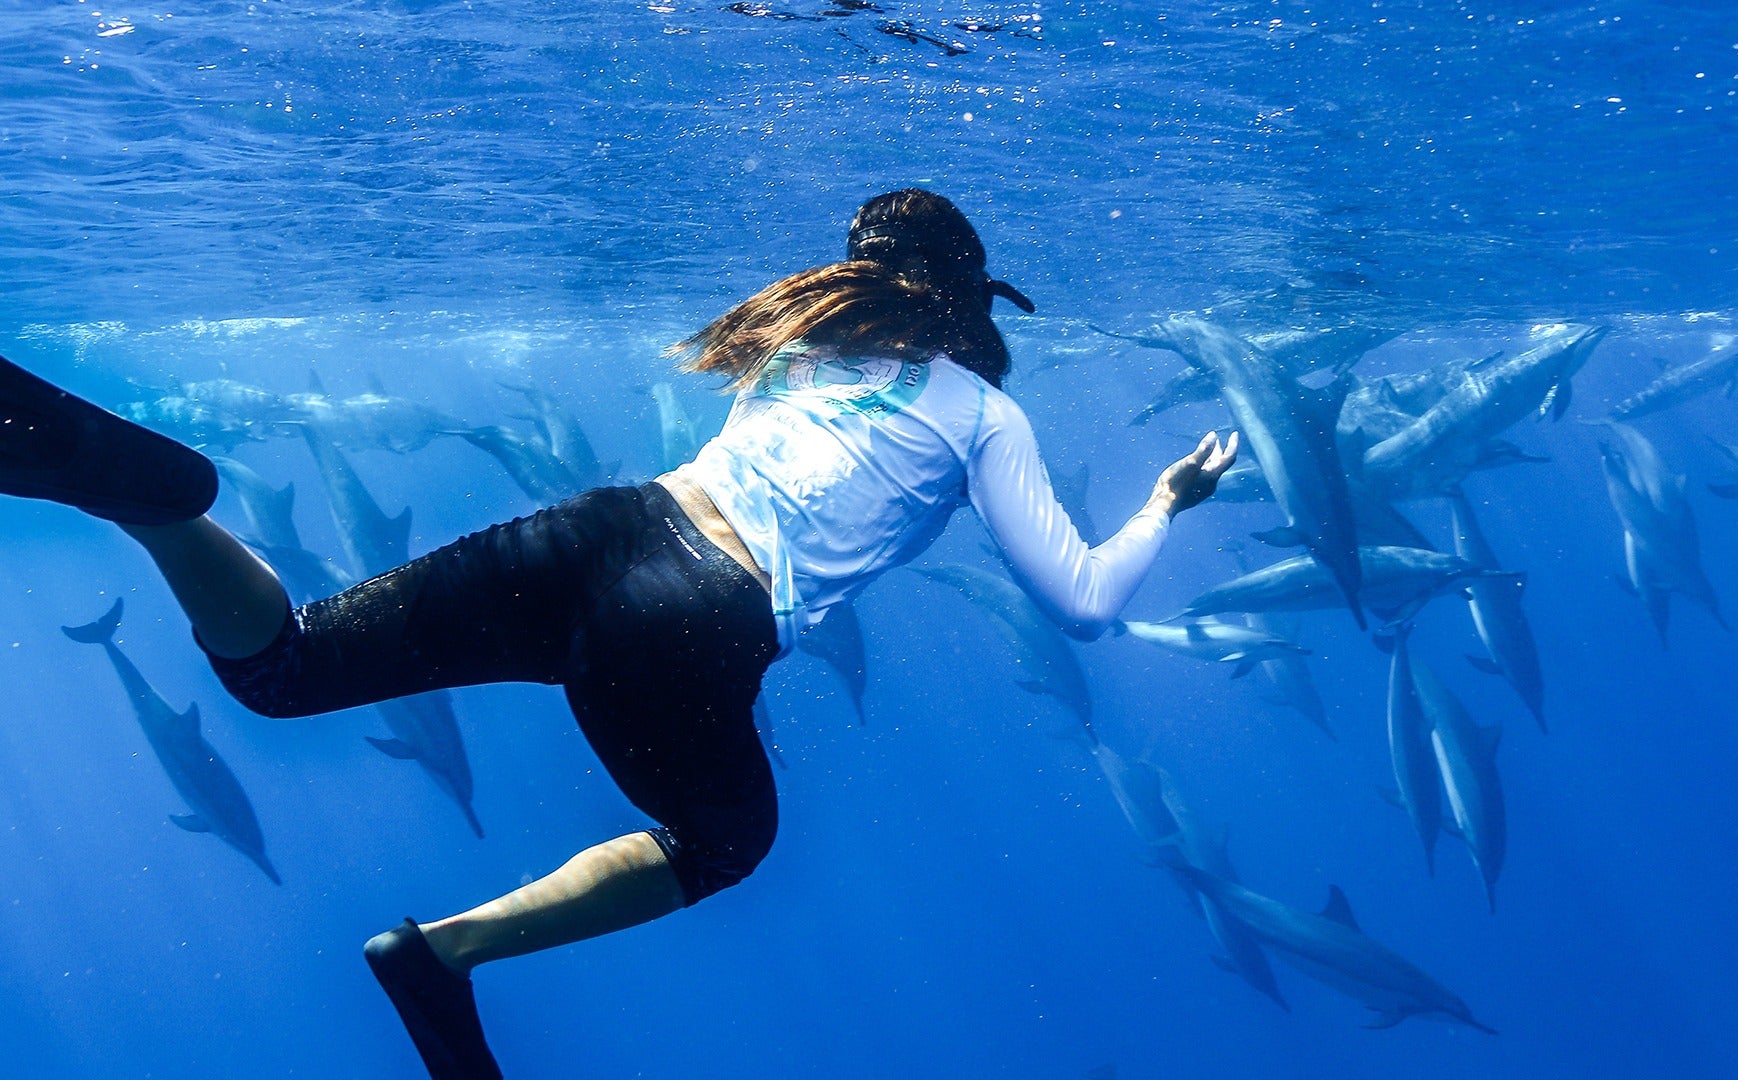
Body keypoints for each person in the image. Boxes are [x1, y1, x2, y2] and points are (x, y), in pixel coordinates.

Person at [0, 188, 1238, 1078]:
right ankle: (442, 955)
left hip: (606, 531)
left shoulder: (798, 340)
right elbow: (1080, 603)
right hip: (698, 620)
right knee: (725, 841)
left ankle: (152, 507)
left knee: (287, 667)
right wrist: (1162, 505)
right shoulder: (984, 413)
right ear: (972, 294)